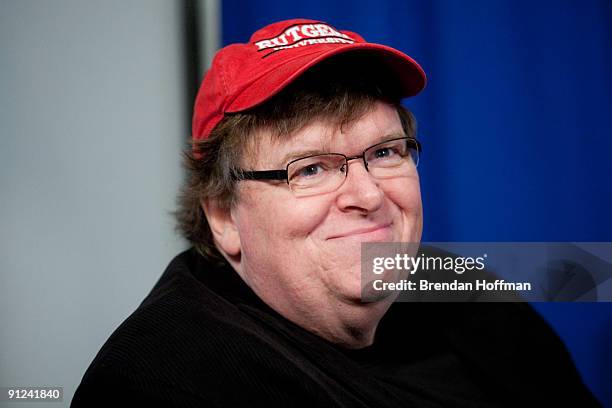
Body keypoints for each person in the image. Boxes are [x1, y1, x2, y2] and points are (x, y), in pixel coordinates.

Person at [72, 19, 599, 407]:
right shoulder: (164, 382)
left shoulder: (457, 283)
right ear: (224, 216)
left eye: (386, 152)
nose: (368, 196)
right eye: (310, 169)